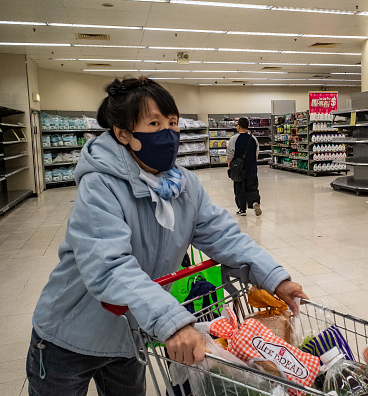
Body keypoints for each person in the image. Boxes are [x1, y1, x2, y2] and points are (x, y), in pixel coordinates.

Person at [26, 77, 307, 395]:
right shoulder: (100, 186)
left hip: (131, 335)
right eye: (154, 123)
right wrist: (172, 321)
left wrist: (273, 277)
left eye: (172, 122)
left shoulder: (184, 185)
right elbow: (108, 266)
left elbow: (224, 236)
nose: (168, 132)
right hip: (70, 338)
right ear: (123, 134)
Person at [227, 117, 262, 216]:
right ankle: (254, 202)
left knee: (239, 189)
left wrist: (230, 167)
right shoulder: (253, 138)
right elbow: (256, 155)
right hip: (251, 168)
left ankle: (242, 209)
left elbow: (230, 154)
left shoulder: (234, 139)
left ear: (238, 126)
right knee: (252, 187)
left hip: (239, 169)